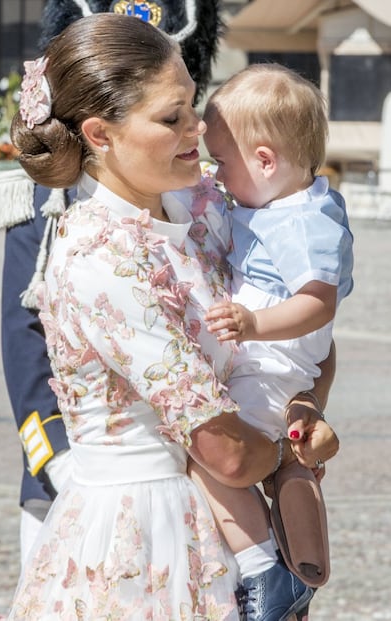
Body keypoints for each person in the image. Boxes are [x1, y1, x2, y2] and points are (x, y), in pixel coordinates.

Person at [5, 15, 337, 620]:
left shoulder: (204, 204)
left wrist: (304, 404)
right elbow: (226, 453)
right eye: (171, 117)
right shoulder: (100, 255)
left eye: (192, 105)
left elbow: (305, 325)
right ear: (100, 133)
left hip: (232, 519)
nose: (199, 129)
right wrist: (290, 452)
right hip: (146, 531)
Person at [0, 0, 223, 566]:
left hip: (214, 491)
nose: (189, 125)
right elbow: (26, 342)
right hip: (87, 482)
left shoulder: (208, 199)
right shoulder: (50, 206)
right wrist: (60, 463)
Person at [189, 62, 353, 617]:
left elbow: (318, 302)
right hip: (268, 364)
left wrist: (254, 324)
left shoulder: (306, 221)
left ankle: (268, 570)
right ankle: (285, 535)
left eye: (222, 162)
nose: (216, 175)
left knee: (212, 458)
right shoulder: (279, 203)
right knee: (242, 459)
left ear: (264, 160)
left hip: (272, 365)